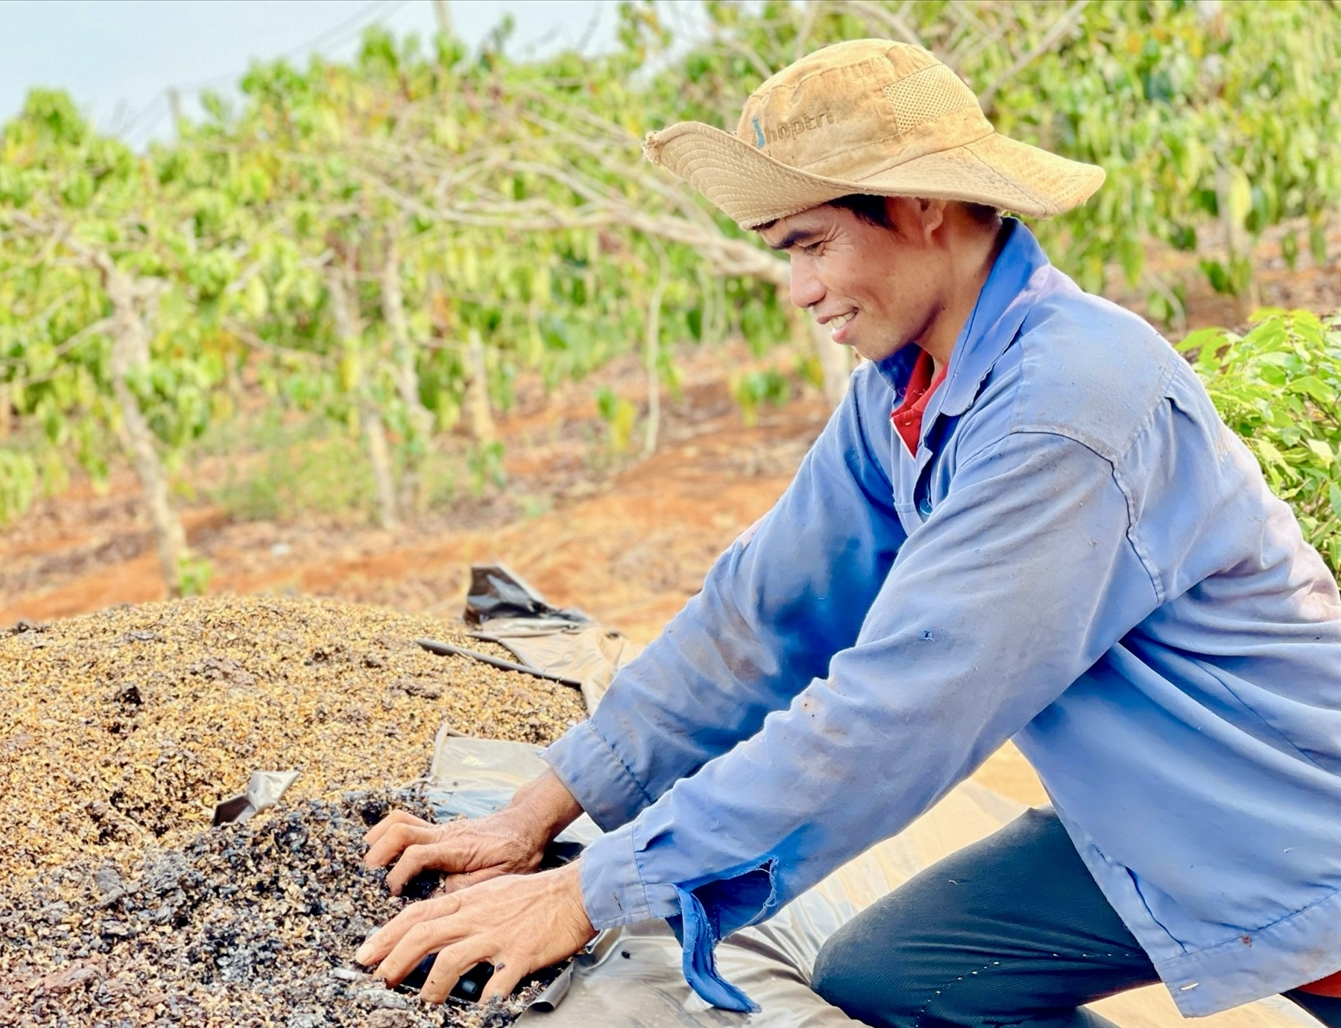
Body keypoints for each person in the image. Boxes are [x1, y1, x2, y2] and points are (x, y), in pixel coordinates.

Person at [354, 38, 1341, 1028]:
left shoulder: (1067, 406)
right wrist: (529, 817)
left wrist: (587, 891)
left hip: (1285, 825)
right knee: (894, 979)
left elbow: (899, 710)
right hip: (1133, 809)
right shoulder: (906, 392)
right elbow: (761, 615)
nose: (798, 287)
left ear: (921, 207)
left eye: (811, 244)